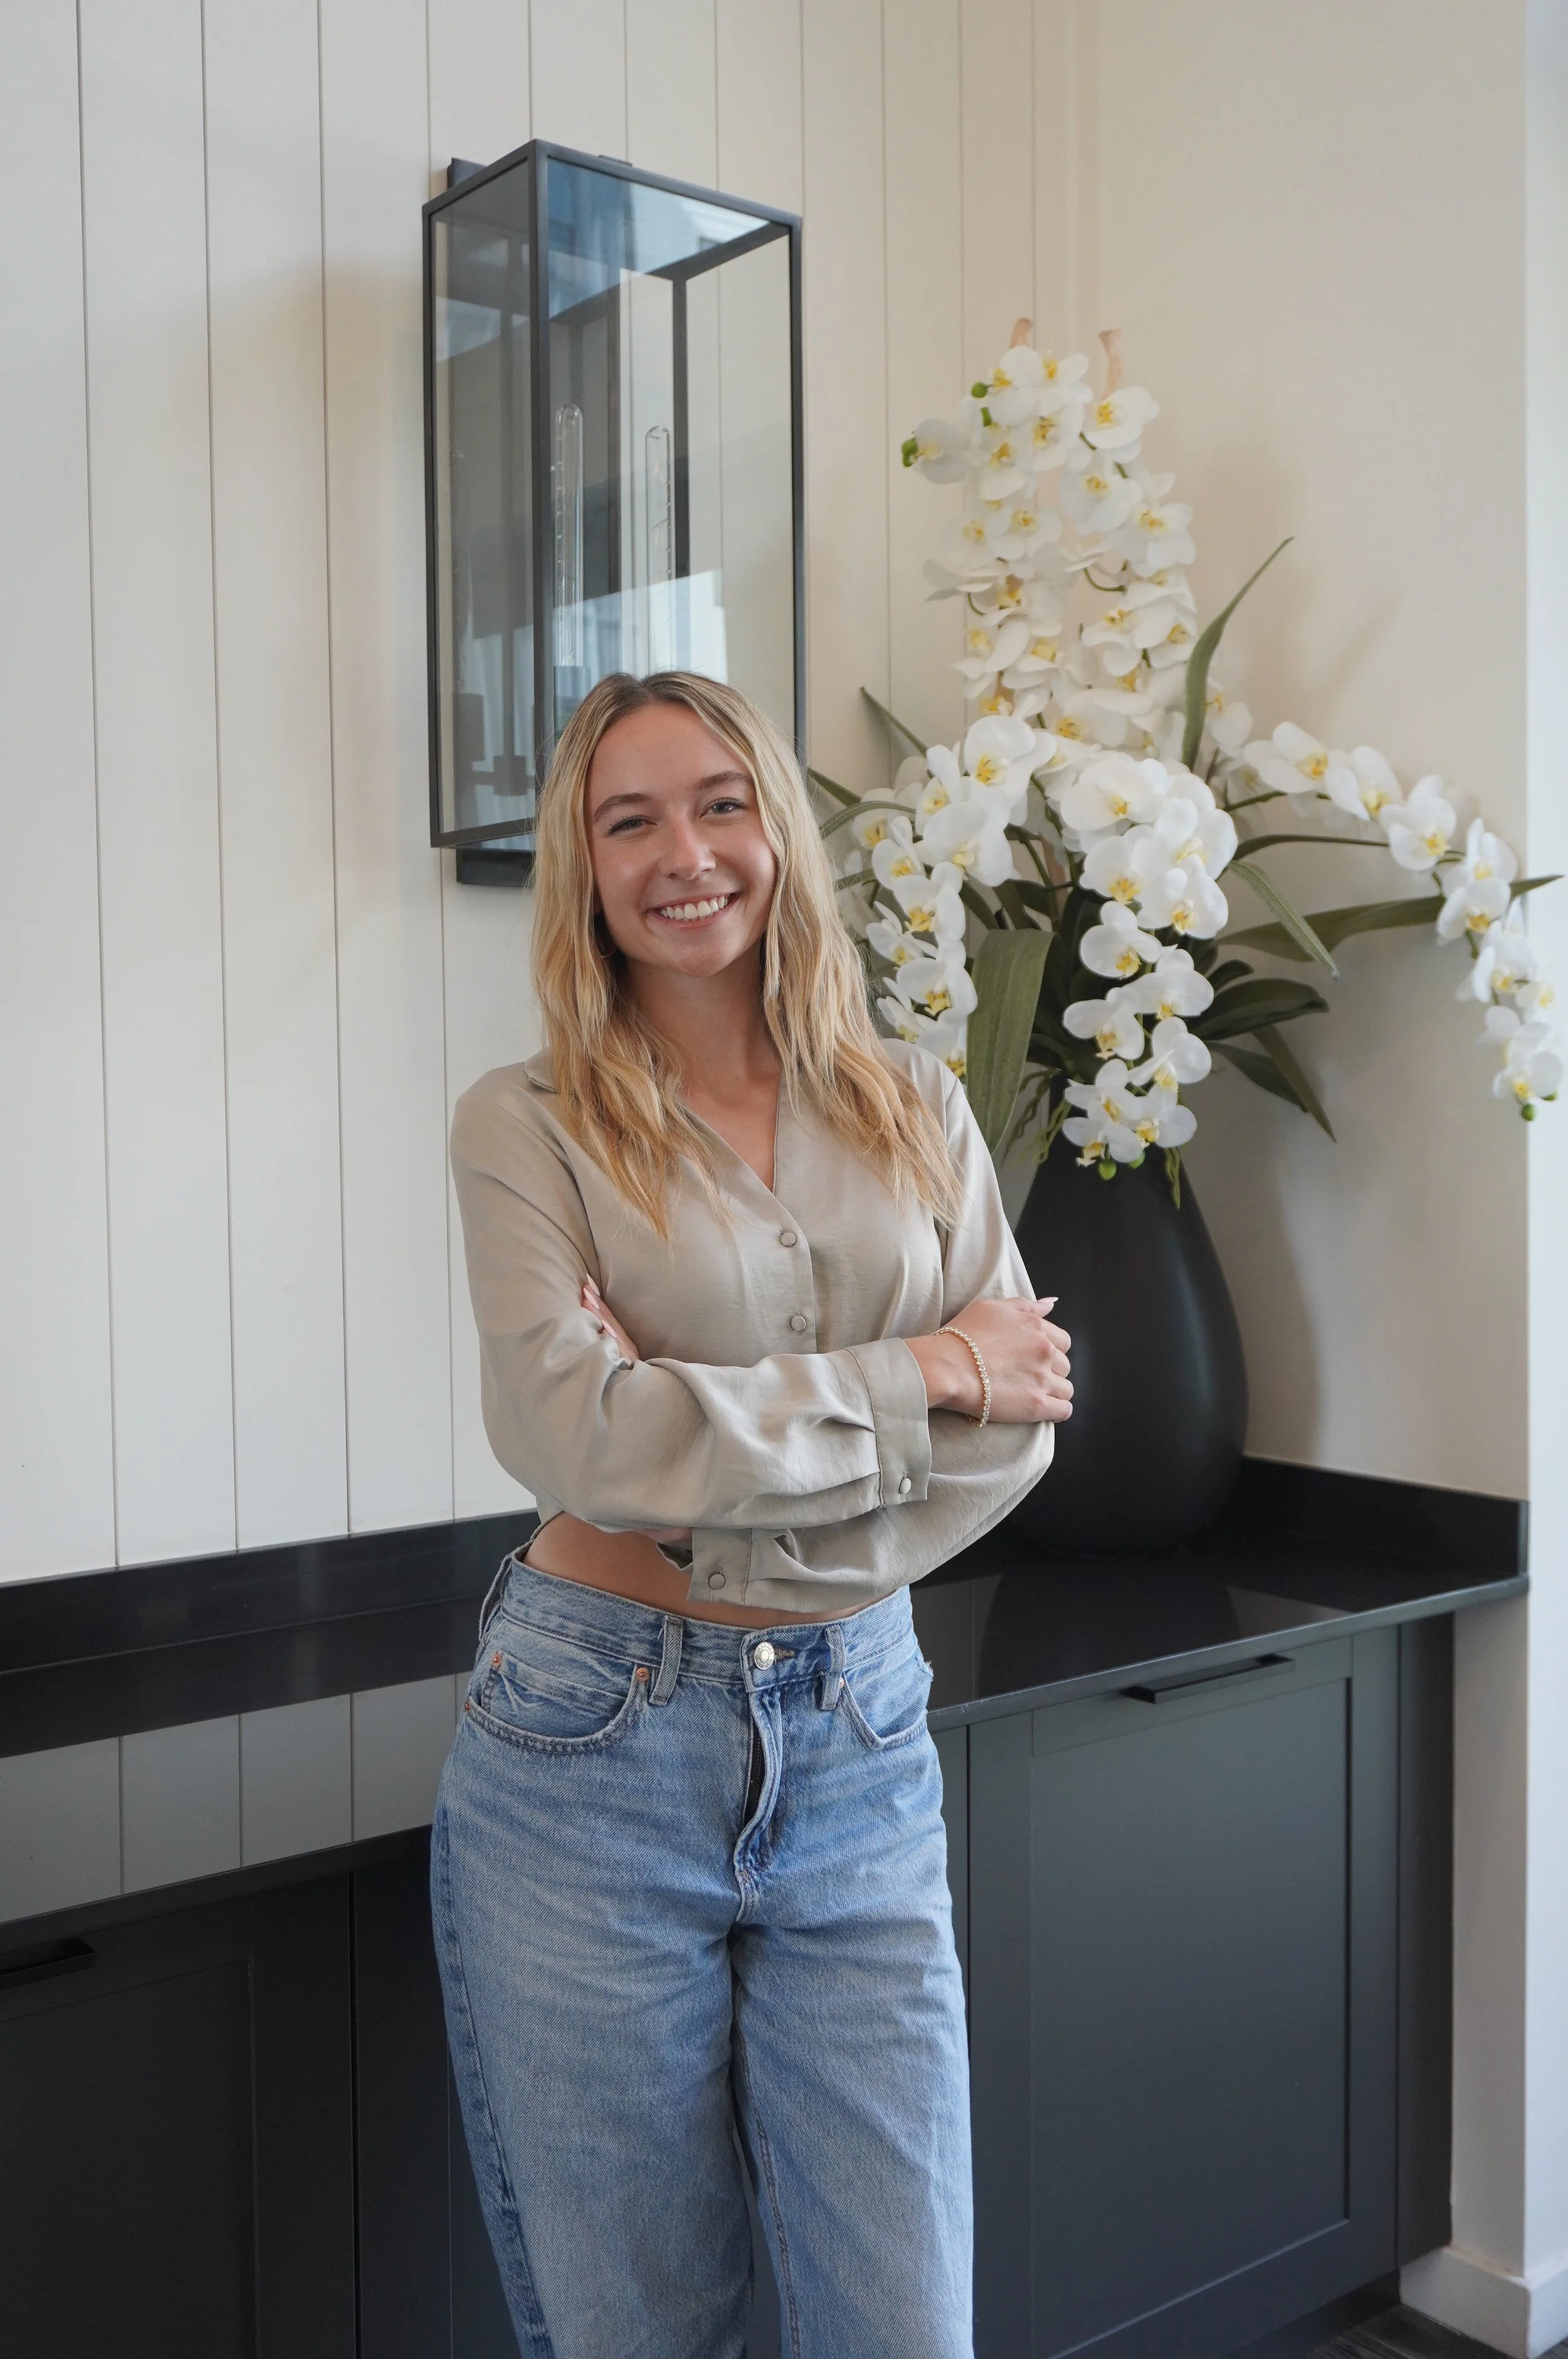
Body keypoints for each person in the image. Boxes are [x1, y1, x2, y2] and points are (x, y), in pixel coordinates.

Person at [434, 670, 1072, 2359]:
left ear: (775, 828)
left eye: (719, 802)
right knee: (636, 2327)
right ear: (582, 867)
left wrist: (703, 1453)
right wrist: (924, 1368)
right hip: (588, 1739)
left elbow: (1016, 1436)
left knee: (901, 2319)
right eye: (626, 819)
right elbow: (575, 1437)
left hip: (859, 1734)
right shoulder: (528, 1125)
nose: (683, 853)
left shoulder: (918, 1105)